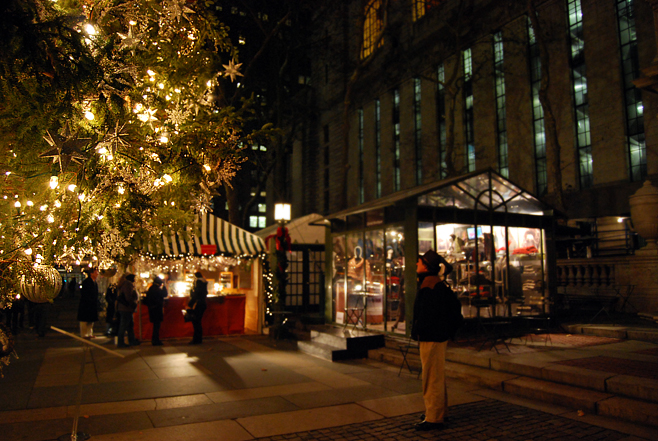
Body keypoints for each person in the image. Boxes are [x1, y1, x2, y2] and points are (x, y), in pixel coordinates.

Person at [411, 249, 456, 432]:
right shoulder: (433, 283)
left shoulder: (430, 285)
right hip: (436, 335)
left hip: (432, 336)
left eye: (419, 262)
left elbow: (428, 314)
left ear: (426, 267)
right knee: (435, 375)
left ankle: (434, 418)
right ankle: (438, 411)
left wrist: (419, 329)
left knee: (431, 377)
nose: (416, 264)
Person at [116, 274, 140, 348]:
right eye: (134, 278)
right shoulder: (128, 285)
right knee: (124, 325)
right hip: (126, 308)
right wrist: (133, 304)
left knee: (129, 325)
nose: (135, 280)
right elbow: (128, 297)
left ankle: (131, 340)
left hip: (125, 308)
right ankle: (121, 342)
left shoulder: (124, 284)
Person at [77, 268, 99, 338]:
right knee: (84, 320)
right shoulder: (87, 282)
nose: (97, 273)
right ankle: (84, 334)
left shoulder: (95, 282)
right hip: (86, 304)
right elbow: (85, 294)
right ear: (91, 274)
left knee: (91, 321)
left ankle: (90, 333)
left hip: (92, 304)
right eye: (96, 272)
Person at [145, 276, 168, 346]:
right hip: (157, 309)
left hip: (152, 309)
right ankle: (155, 340)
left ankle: (154, 339)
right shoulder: (157, 289)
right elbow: (165, 294)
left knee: (156, 325)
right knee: (157, 326)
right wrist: (164, 286)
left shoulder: (151, 288)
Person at [187, 271, 208, 345]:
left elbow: (195, 295)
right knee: (198, 322)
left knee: (196, 322)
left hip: (197, 304)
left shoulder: (198, 283)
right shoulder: (204, 283)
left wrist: (190, 304)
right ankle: (198, 338)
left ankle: (196, 339)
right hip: (202, 304)